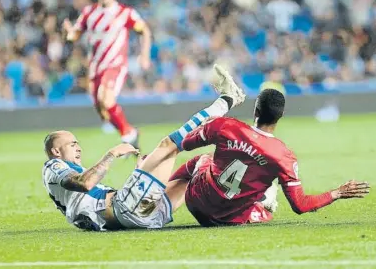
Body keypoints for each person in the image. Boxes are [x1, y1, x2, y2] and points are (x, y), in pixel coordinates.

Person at [42, 64, 246, 231]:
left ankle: (254, 200)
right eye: (71, 144)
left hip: (142, 214)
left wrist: (142, 170)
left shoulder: (69, 189)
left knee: (196, 173)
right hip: (127, 208)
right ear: (56, 152)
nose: (78, 147)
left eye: (77, 142)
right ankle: (227, 99)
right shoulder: (53, 167)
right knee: (170, 144)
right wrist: (111, 154)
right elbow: (85, 183)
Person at [168, 89, 370, 226]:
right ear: (280, 116)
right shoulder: (283, 156)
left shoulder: (225, 126)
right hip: (228, 218)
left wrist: (207, 125)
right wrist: (337, 193)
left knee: (202, 159)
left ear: (255, 109)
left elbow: (184, 143)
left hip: (196, 202)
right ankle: (262, 203)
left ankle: (162, 193)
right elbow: (300, 205)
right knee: (267, 194)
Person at [62, 0, 152, 148]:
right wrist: (69, 33)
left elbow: (144, 30)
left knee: (106, 97)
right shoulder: (89, 13)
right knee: (102, 110)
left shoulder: (125, 13)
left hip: (115, 65)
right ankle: (130, 133)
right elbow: (75, 34)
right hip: (95, 67)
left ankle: (127, 134)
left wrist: (144, 55)